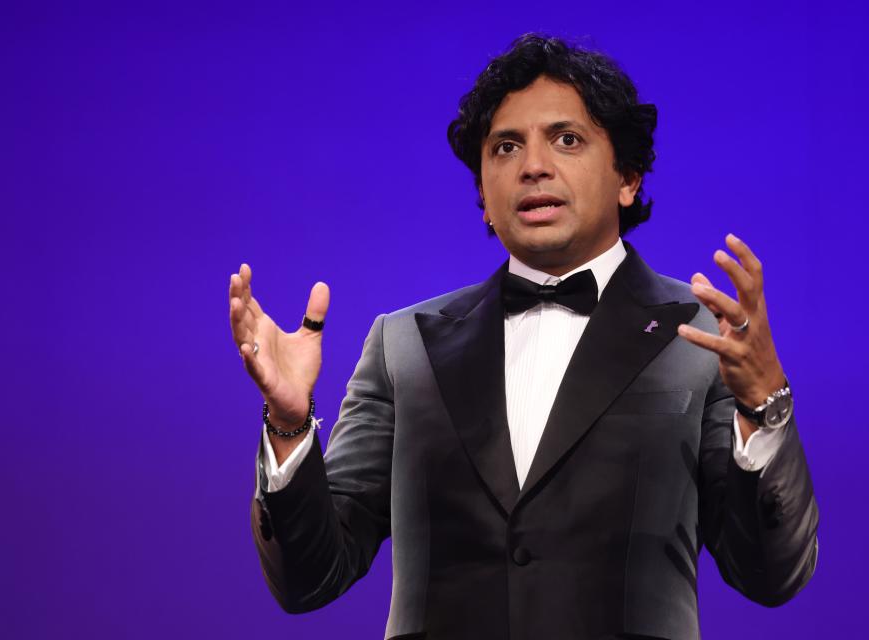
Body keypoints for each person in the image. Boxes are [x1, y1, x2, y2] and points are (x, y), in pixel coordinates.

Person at [228, 34, 818, 640]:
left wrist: (763, 407)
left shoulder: (701, 336)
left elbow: (769, 574)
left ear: (628, 178)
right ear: (484, 193)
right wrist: (289, 422)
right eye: (506, 147)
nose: (533, 165)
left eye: (567, 139)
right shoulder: (402, 345)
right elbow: (310, 578)